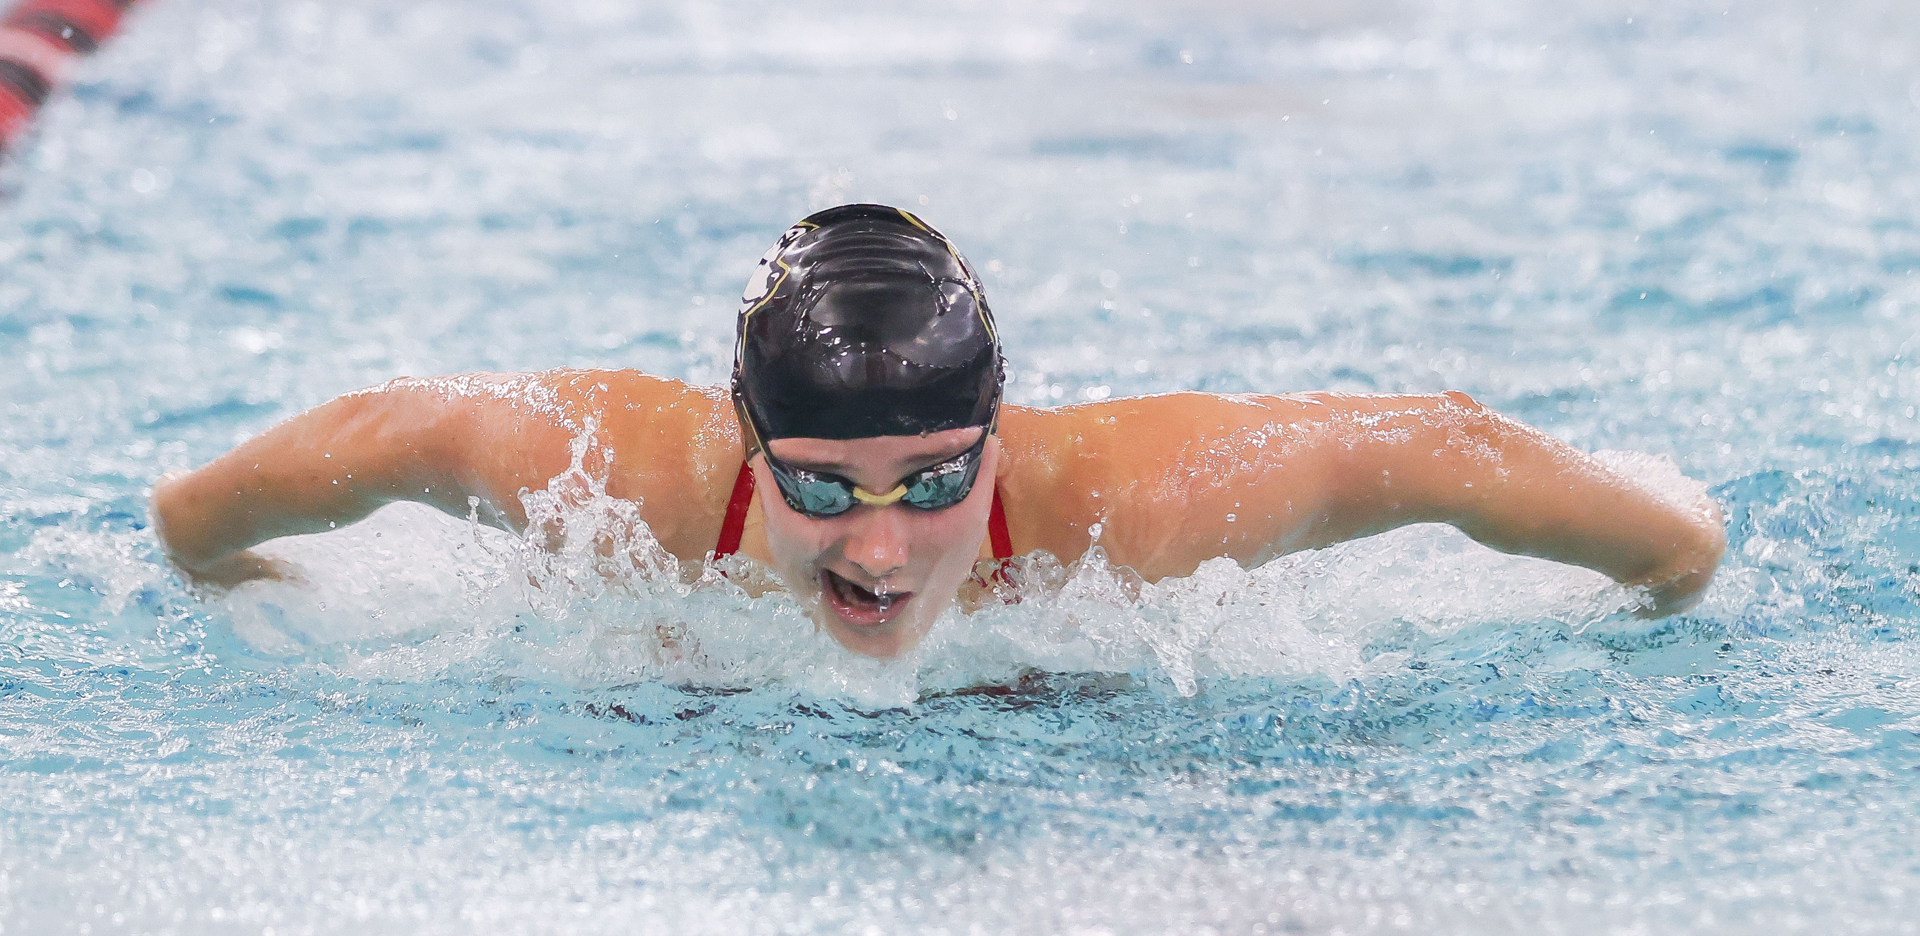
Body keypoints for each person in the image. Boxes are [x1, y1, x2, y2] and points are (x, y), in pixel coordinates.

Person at [151, 204, 1727, 658]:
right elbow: (369, 439)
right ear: (744, 448)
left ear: (998, 438)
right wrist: (237, 584)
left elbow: (1436, 449)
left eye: (934, 483)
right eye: (822, 489)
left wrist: (1669, 586)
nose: (883, 548)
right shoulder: (613, 488)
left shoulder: (1134, 514)